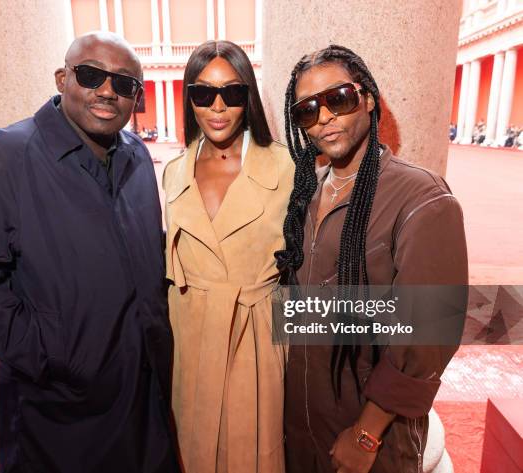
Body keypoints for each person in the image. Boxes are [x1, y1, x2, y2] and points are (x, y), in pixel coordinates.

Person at [0, 32, 179, 473]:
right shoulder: (8, 153)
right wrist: (50, 354)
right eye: (91, 75)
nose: (107, 91)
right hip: (59, 412)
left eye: (124, 84)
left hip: (142, 396)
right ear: (63, 78)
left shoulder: (138, 156)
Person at [275, 45, 468, 473]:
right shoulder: (304, 195)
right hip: (302, 425)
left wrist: (367, 434)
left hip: (373, 436)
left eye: (337, 99)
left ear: (367, 98)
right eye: (307, 110)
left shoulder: (422, 198)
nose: (324, 117)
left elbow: (426, 337)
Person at [162, 40, 294, 473]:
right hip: (190, 334)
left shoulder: (287, 168)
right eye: (203, 93)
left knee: (253, 454)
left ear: (248, 97)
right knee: (192, 451)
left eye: (232, 93)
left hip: (255, 334)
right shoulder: (172, 171)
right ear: (190, 99)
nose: (217, 107)